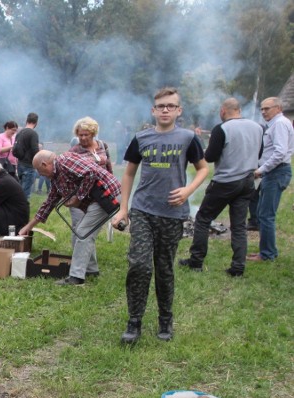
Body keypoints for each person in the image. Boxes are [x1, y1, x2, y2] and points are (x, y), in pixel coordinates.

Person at [111, 87, 208, 344]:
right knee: (139, 265)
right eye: (161, 106)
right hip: (143, 209)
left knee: (164, 268)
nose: (165, 109)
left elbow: (203, 169)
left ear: (179, 110)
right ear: (153, 110)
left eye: (171, 106)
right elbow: (129, 172)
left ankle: (165, 318)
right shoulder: (141, 138)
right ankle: (134, 322)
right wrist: (124, 207)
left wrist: (188, 190)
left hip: (172, 213)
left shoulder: (188, 138)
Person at [178, 98, 263, 276]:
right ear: (239, 110)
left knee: (203, 218)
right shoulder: (257, 127)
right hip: (248, 181)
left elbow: (209, 156)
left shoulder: (222, 128)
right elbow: (259, 153)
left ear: (223, 111)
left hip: (225, 182)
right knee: (239, 226)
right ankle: (238, 267)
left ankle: (196, 261)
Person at [19, 150, 122, 286]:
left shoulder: (66, 161)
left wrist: (78, 198)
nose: (39, 174)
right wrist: (29, 226)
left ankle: (76, 278)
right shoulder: (55, 177)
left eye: (39, 170)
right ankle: (91, 270)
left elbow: (91, 173)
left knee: (82, 234)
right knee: (82, 233)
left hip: (107, 196)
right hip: (97, 199)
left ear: (44, 164)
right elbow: (49, 203)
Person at [66, 116, 113, 280]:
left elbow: (108, 168)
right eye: (80, 135)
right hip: (80, 199)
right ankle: (88, 269)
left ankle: (84, 271)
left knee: (86, 233)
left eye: (86, 135)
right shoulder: (74, 152)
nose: (83, 138)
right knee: (81, 232)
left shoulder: (102, 146)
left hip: (101, 197)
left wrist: (111, 187)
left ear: (93, 134)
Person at [247, 97, 294, 262]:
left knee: (266, 215)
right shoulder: (276, 124)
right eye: (262, 109)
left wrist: (261, 169)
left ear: (278, 108)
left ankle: (267, 255)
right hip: (273, 172)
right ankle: (267, 251)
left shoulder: (280, 124)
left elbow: (280, 152)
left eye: (267, 108)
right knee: (262, 213)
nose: (263, 112)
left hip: (276, 172)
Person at [13, 112, 40, 199]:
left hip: (20, 164)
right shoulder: (33, 134)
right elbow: (35, 151)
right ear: (36, 123)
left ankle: (17, 210)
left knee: (20, 191)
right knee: (26, 194)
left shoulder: (19, 133)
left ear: (26, 121)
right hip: (29, 166)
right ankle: (22, 211)